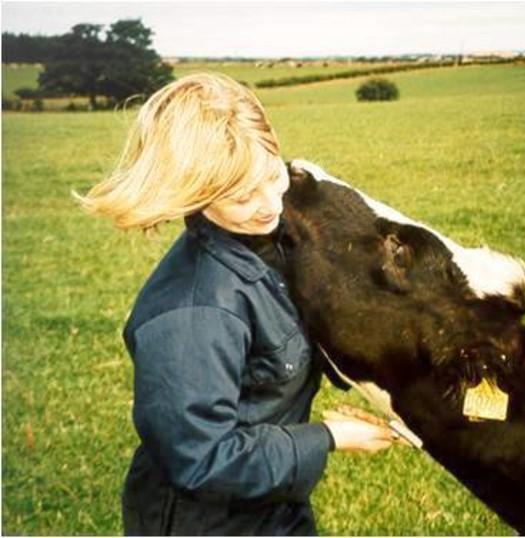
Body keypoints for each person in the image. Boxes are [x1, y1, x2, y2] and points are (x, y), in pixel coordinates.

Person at [77, 73, 398, 536]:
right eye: (243, 196)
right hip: (205, 520)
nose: (271, 205)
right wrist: (329, 438)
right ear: (196, 193)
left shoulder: (264, 241)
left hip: (271, 503)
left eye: (273, 175)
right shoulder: (192, 314)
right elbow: (203, 458)